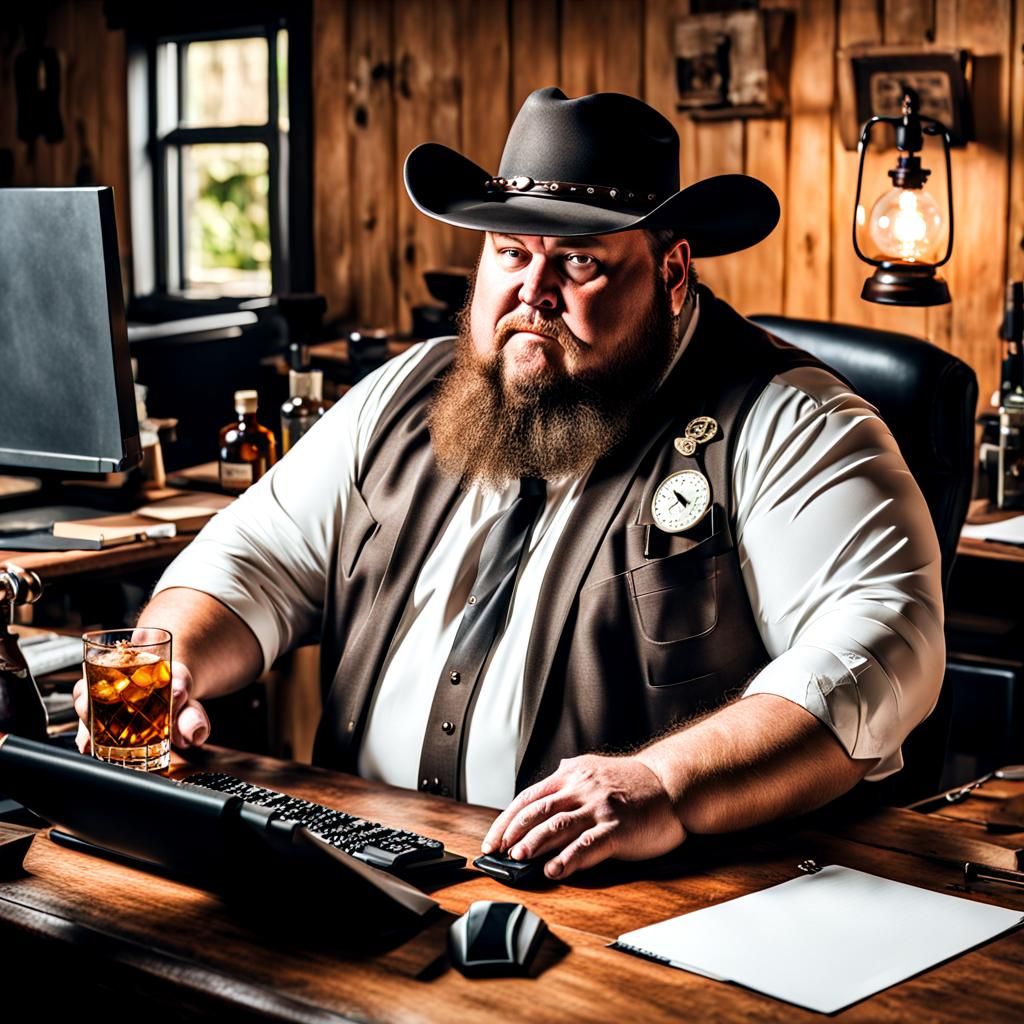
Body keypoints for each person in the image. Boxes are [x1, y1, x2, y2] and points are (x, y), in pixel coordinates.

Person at [74, 87, 944, 881]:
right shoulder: (404, 390)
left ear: (672, 272)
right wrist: (174, 668)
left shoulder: (792, 421)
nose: (533, 293)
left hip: (642, 910)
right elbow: (248, 561)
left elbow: (877, 654)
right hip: (354, 870)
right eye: (508, 252)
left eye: (580, 263)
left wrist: (664, 784)